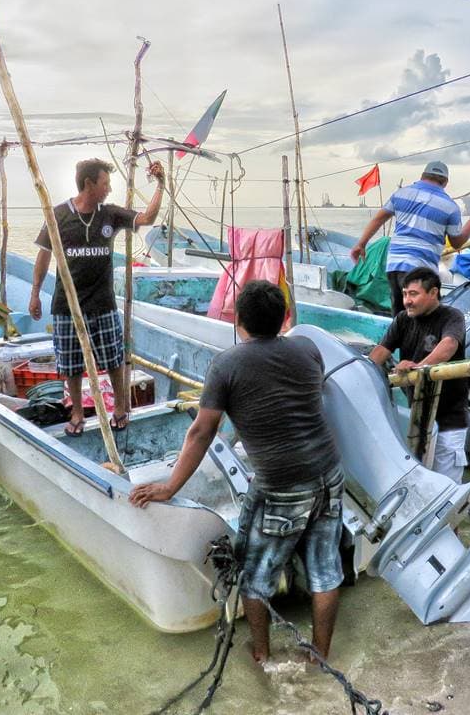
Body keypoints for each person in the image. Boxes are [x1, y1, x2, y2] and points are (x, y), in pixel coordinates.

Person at [129, 280, 344, 664]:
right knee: (324, 570)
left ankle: (261, 655)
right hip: (328, 472)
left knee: (255, 576)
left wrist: (169, 486)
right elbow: (294, 394)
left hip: (281, 485)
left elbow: (201, 431)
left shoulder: (226, 364)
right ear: (283, 319)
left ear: (239, 320)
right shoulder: (308, 349)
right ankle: (321, 654)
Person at [29, 158, 165, 435]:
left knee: (113, 359)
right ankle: (77, 412)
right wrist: (34, 294)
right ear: (89, 183)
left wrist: (161, 184)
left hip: (102, 303)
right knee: (71, 363)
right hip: (67, 305)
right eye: (105, 183)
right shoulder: (58, 216)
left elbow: (147, 218)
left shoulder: (110, 215)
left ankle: (120, 407)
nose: (109, 188)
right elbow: (44, 256)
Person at [368, 267, 469, 483]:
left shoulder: (452, 317)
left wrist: (418, 368)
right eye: (404, 294)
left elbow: (449, 345)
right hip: (418, 415)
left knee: (447, 484)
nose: (407, 301)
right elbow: (380, 352)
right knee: (418, 480)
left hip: (449, 416)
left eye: (413, 294)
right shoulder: (403, 320)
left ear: (433, 293)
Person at [349, 160, 470, 316]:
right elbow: (457, 243)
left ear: (422, 176)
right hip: (421, 270)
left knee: (400, 319)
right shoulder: (450, 206)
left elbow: (378, 219)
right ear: (445, 182)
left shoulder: (401, 193)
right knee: (428, 320)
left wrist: (361, 244)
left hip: (394, 266)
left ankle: (396, 340)